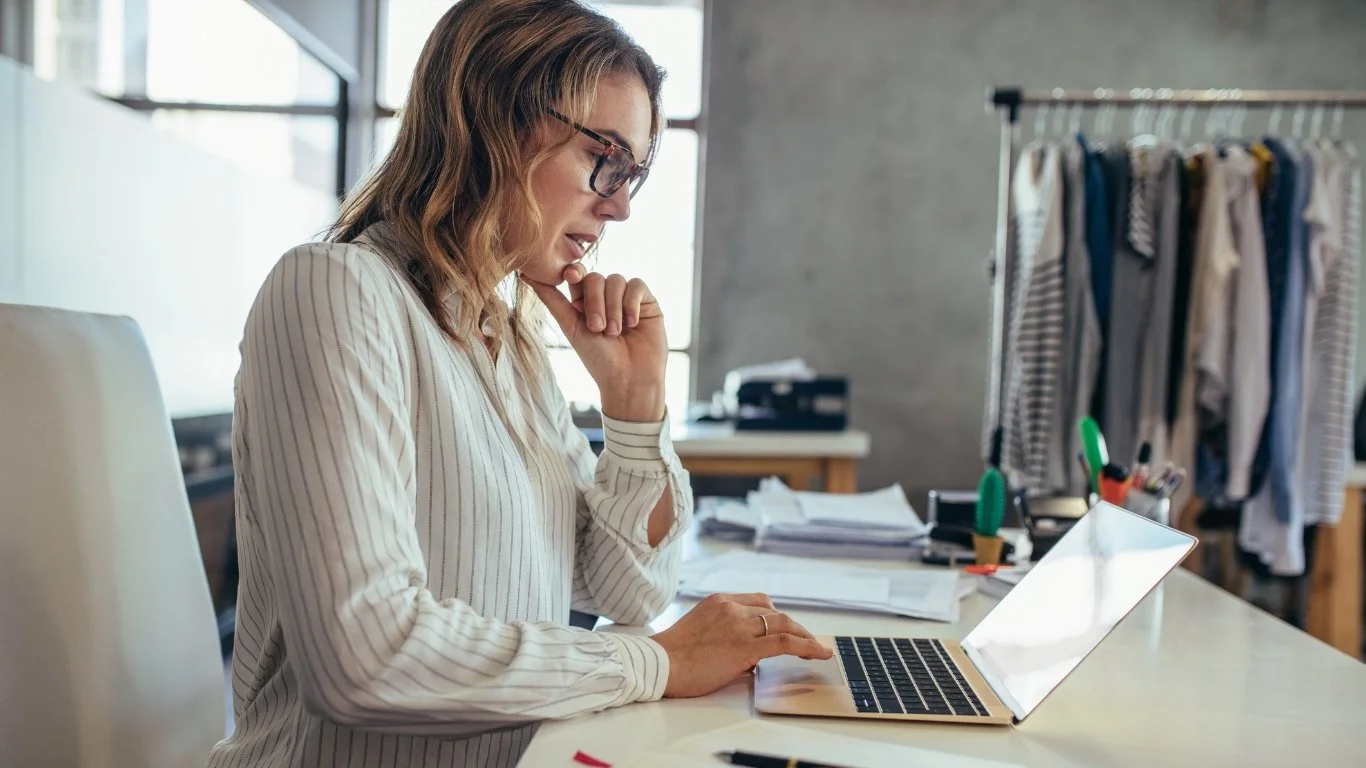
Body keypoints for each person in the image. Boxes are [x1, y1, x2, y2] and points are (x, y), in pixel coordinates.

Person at [205, 1, 830, 766]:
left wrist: (637, 413)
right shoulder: (336, 291)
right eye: (607, 160)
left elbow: (625, 593)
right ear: (496, 119)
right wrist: (658, 664)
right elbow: (364, 657)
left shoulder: (509, 339)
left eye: (634, 174)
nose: (622, 205)